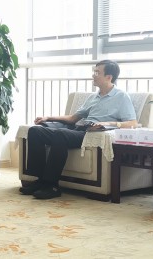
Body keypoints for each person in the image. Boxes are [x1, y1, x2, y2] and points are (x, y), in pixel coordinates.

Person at [21, 60, 137, 200]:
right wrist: (48, 118)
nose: (93, 75)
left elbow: (132, 123)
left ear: (109, 77)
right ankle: (39, 180)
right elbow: (73, 118)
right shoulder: (93, 97)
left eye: (97, 72)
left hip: (90, 134)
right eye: (94, 72)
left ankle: (51, 185)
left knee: (60, 134)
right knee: (35, 131)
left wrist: (107, 123)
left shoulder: (121, 96)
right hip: (78, 128)